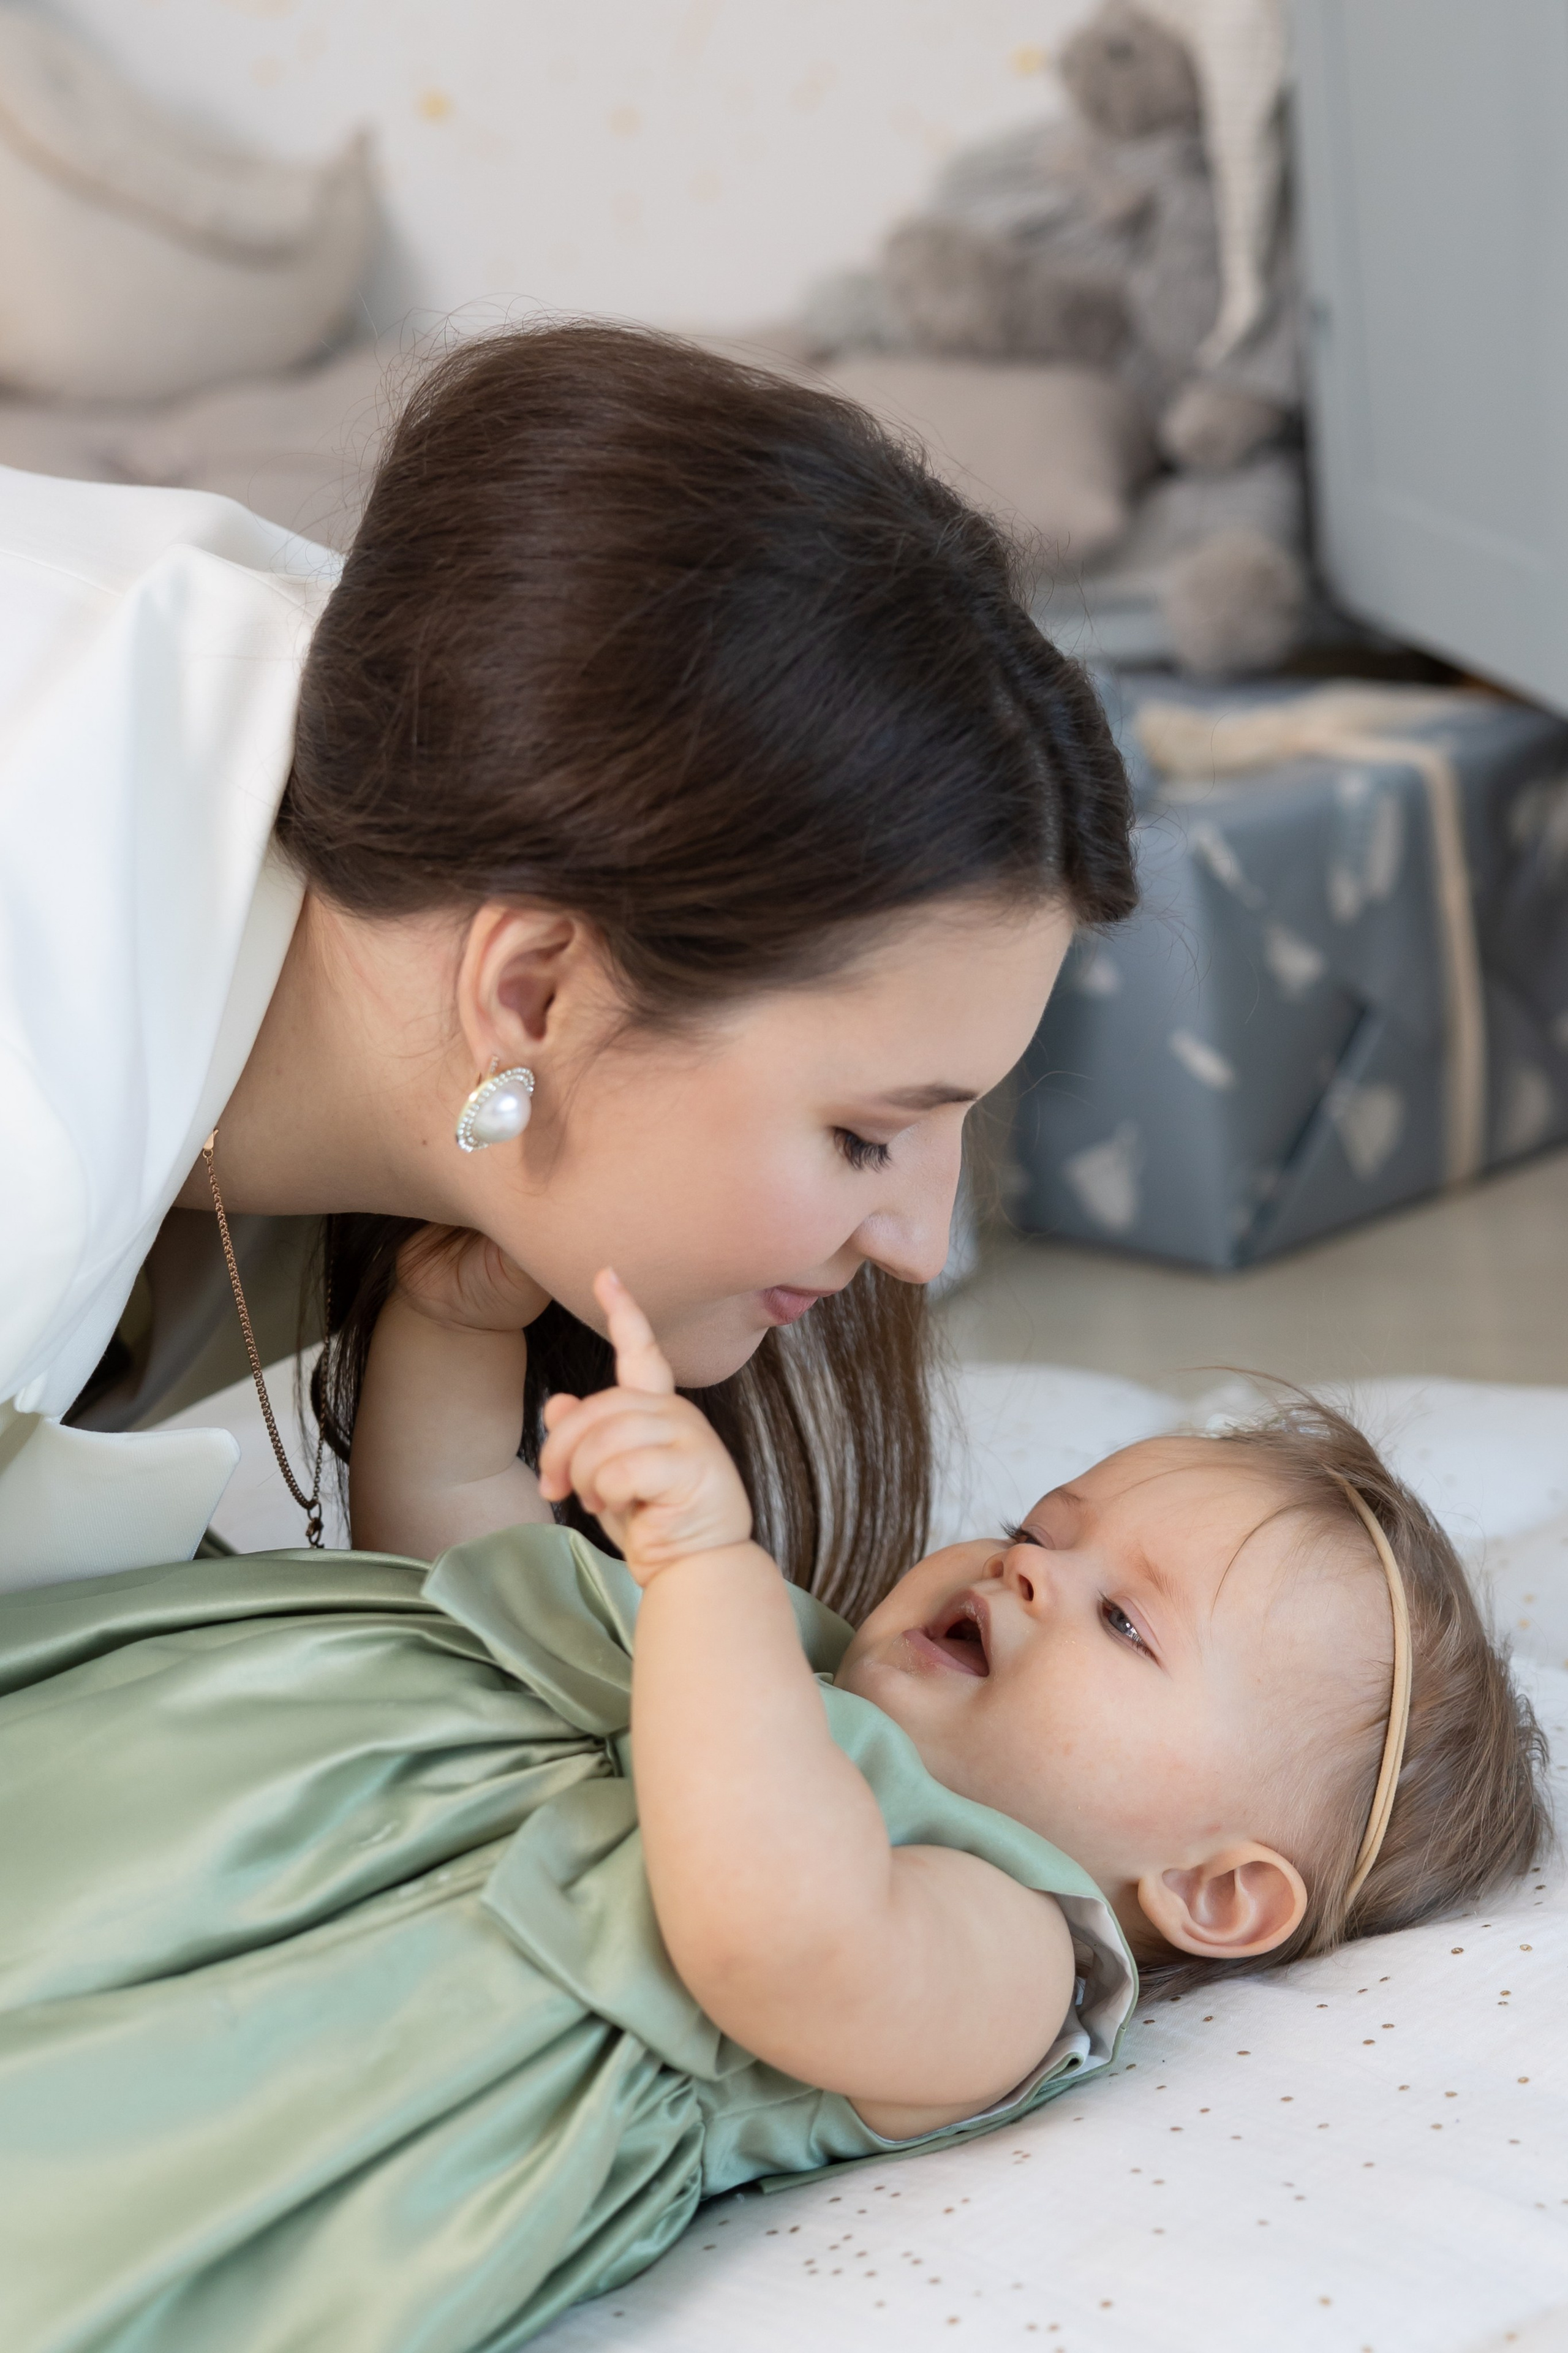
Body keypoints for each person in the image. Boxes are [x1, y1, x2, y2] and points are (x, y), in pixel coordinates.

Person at [0, 1251, 1547, 2351]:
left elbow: (771, 1931)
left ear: (1212, 1891)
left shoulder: (1010, 1944)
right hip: (168, 1829)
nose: (1022, 1568)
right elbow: (460, 1560)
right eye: (1036, 1529)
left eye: (1122, 1622)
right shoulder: (776, 1658)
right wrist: (451, 1329)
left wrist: (702, 1576)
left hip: (286, 2070)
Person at [0, 321, 1136, 1604]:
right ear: (530, 990)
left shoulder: (466, 718)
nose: (922, 1248)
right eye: (865, 1139)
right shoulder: (30, 1118)